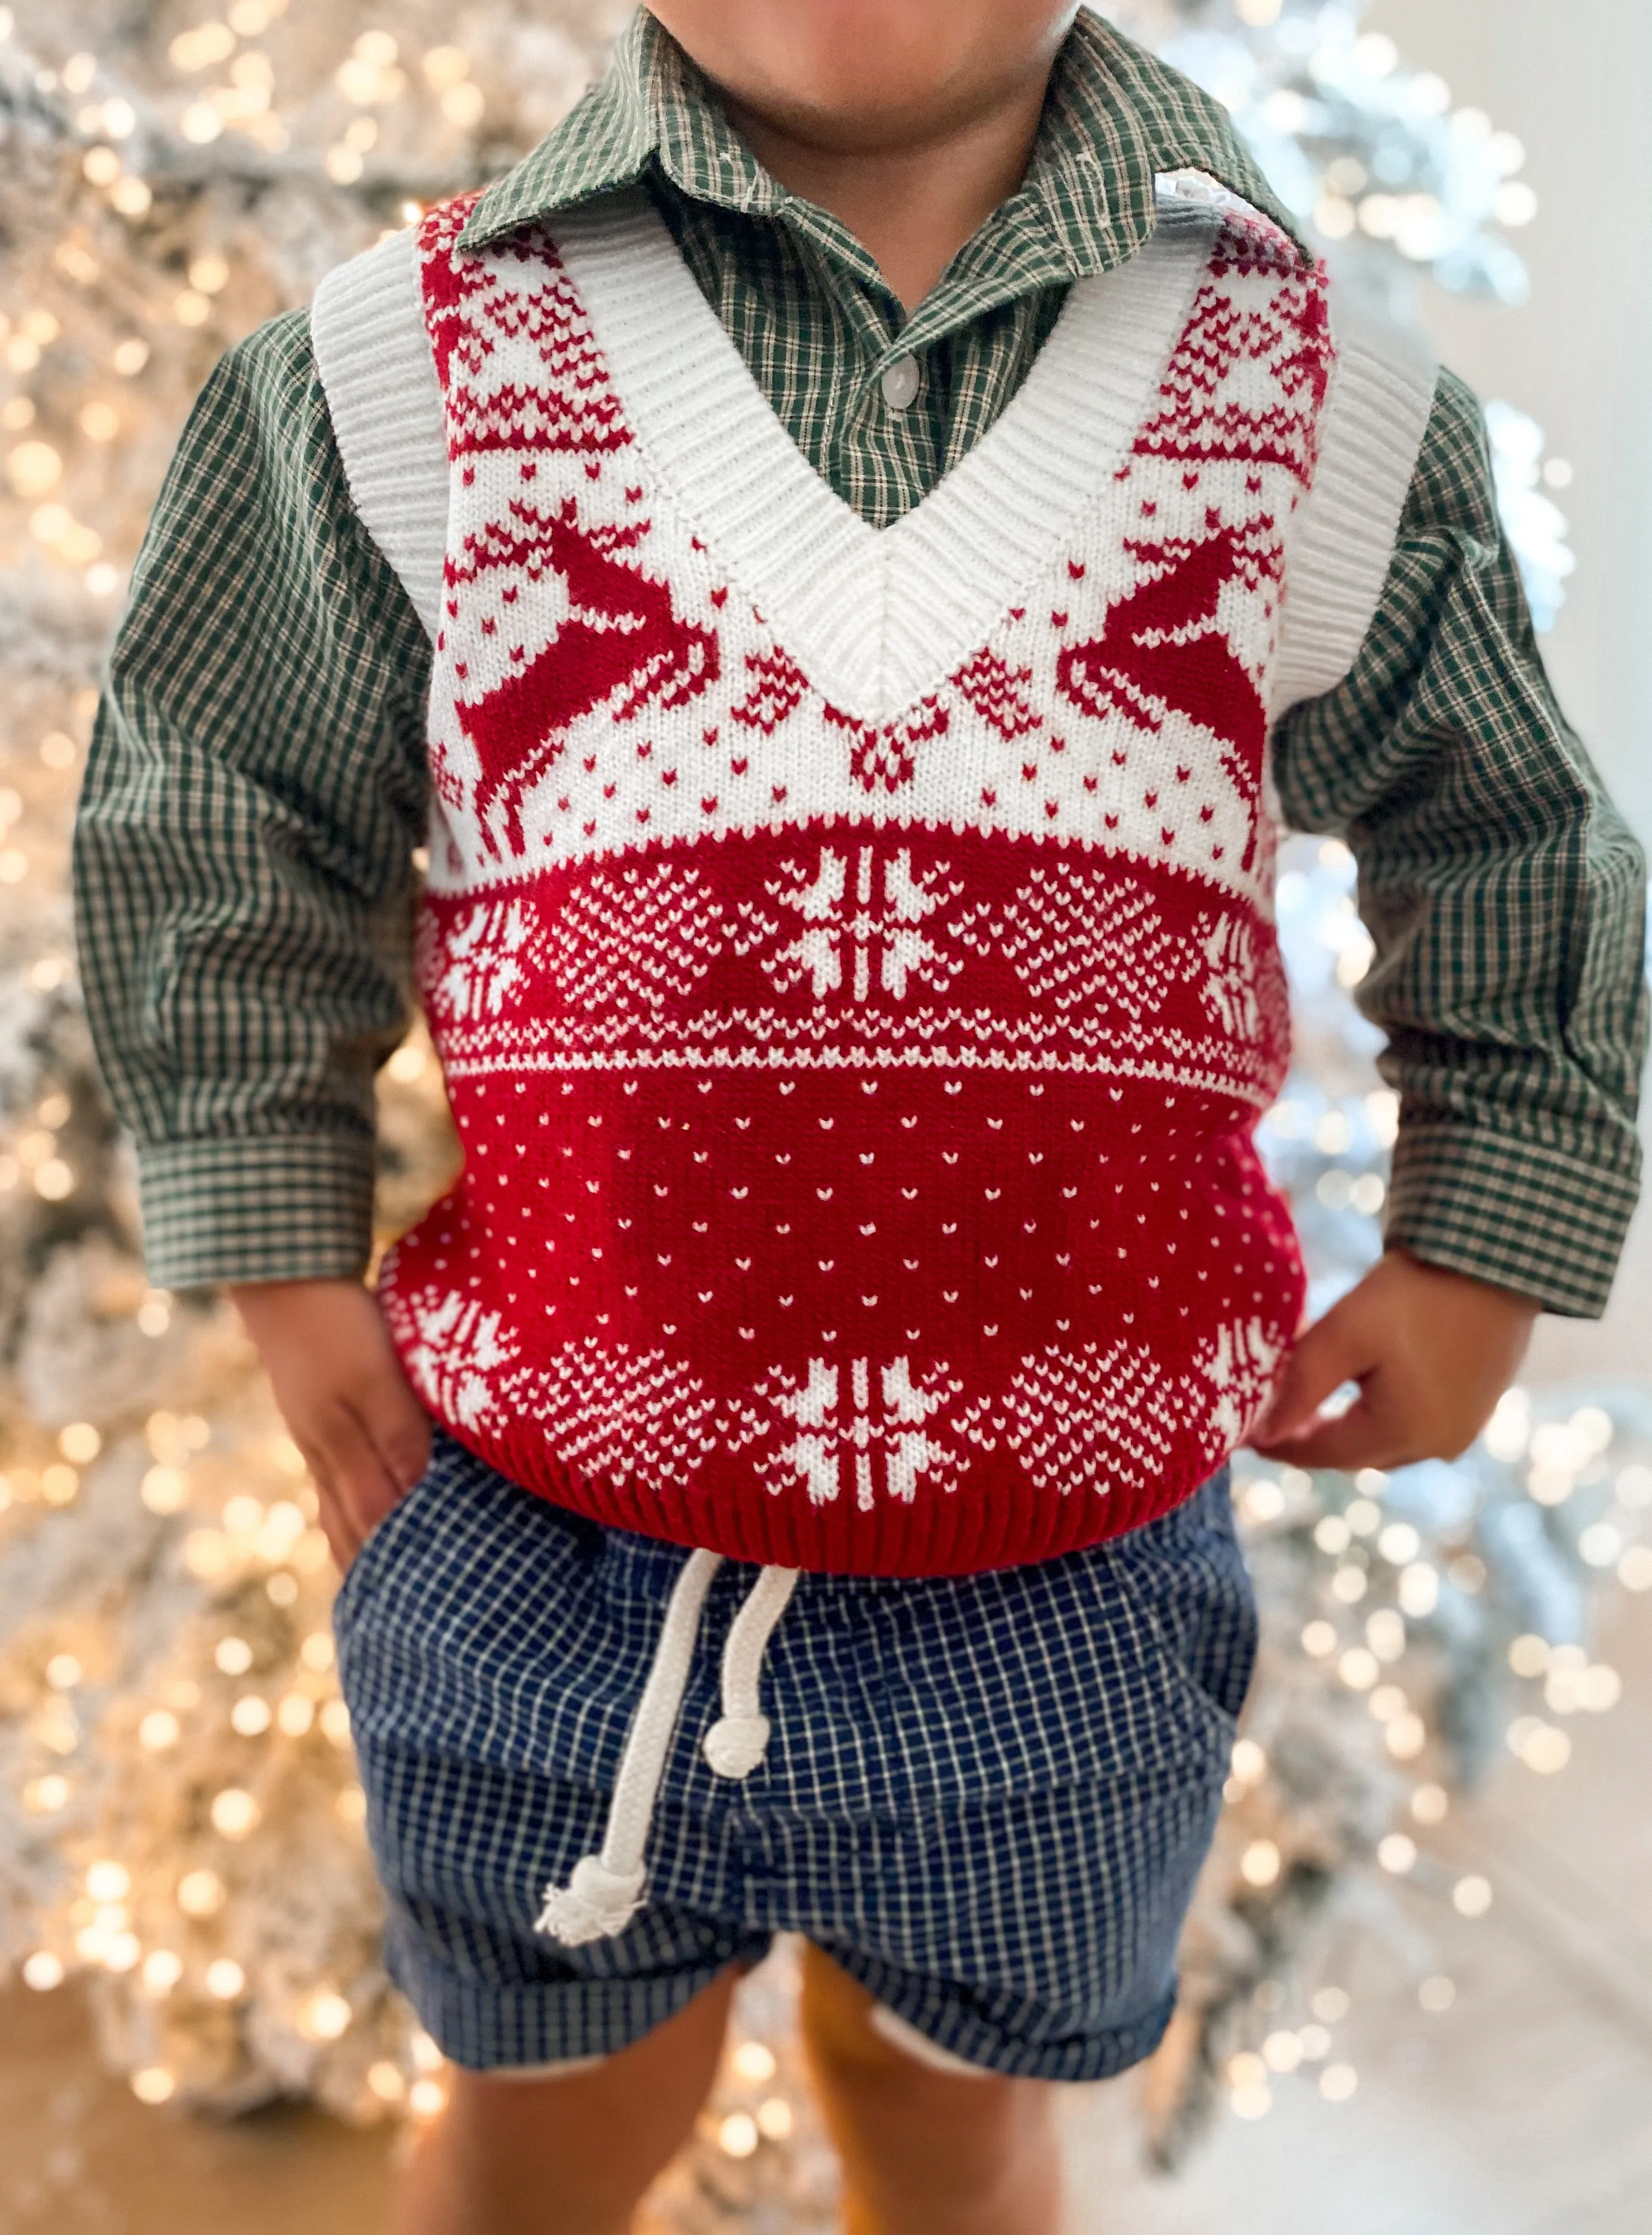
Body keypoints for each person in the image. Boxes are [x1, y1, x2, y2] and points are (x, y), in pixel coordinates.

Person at [74, 4, 1646, 2231]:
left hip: (1075, 1582)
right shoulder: (395, 379)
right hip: (535, 1549)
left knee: (950, 2114)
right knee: (547, 2117)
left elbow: (1510, 840)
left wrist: (1487, 1227)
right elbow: (220, 820)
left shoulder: (1306, 400)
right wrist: (274, 1252)